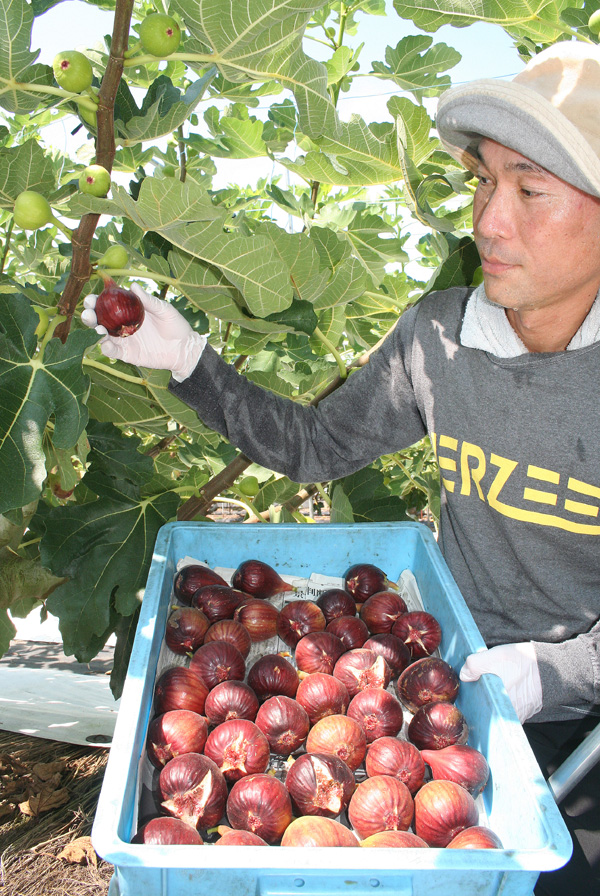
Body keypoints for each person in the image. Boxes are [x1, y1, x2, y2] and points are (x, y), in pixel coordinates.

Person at [83, 40, 600, 891]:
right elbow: (317, 446)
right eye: (484, 182)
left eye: (531, 190)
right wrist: (190, 366)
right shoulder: (441, 336)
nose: (489, 221)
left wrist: (559, 674)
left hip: (577, 709)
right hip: (435, 682)